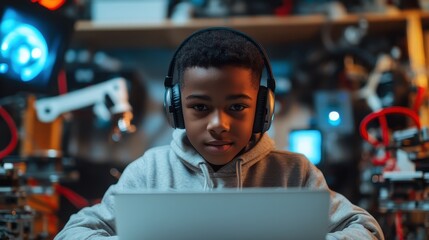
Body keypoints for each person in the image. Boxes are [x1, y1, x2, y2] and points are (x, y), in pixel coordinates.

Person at [55, 27, 384, 239]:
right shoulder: (148, 173)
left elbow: (366, 229)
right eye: (199, 107)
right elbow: (74, 233)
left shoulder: (294, 173)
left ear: (262, 109)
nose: (218, 124)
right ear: (177, 107)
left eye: (237, 107)